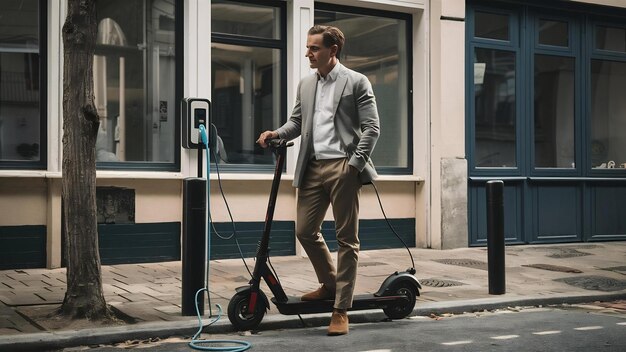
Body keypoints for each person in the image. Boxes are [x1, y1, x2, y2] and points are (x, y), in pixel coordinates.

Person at [256, 25, 380, 336]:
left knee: (346, 239)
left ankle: (341, 309)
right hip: (312, 166)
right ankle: (329, 284)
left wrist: (353, 165)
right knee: (304, 230)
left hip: (343, 166)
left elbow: (372, 128)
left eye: (314, 48)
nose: (308, 53)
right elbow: (298, 122)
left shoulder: (356, 82)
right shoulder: (307, 84)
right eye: (308, 48)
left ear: (332, 51)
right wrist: (276, 133)